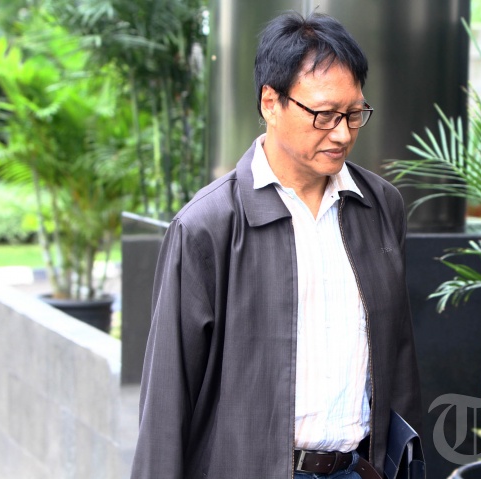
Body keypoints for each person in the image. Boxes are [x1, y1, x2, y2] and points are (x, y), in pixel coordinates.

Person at [131, 11, 422, 479]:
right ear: (271, 102)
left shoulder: (380, 206)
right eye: (324, 115)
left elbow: (399, 358)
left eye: (354, 114)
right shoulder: (208, 225)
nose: (343, 133)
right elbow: (168, 393)